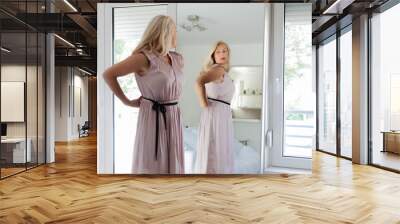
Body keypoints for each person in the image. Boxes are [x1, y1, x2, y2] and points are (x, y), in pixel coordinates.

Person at [103, 15, 184, 174]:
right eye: (175, 31)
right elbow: (108, 74)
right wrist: (127, 102)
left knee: (174, 162)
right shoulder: (144, 58)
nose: (177, 35)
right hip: (154, 116)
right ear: (165, 33)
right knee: (153, 163)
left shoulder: (177, 59)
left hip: (174, 115)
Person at [194, 41, 235, 174]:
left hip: (220, 114)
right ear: (213, 56)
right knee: (214, 151)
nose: (222, 54)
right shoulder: (219, 69)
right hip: (216, 114)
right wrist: (204, 104)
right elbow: (199, 82)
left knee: (216, 150)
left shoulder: (222, 71)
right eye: (218, 52)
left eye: (224, 51)